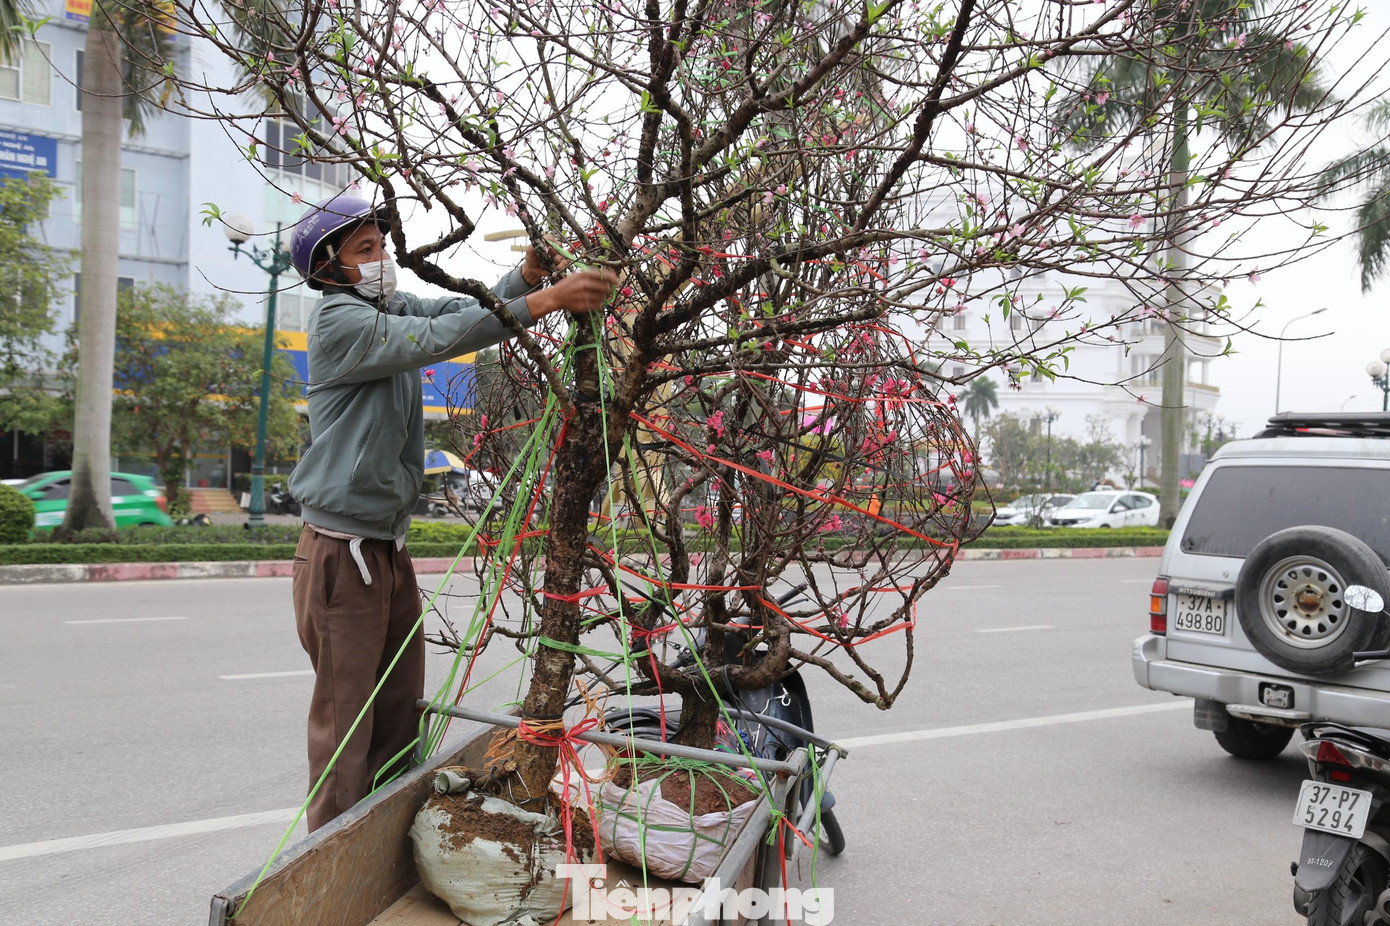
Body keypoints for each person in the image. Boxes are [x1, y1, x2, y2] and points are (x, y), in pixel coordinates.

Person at [284, 193, 615, 830]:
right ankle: (328, 860)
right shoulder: (340, 323)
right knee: (346, 730)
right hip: (340, 554)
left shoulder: (386, 308)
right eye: (364, 249)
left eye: (382, 245)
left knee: (399, 713)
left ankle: (380, 848)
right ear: (327, 268)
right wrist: (547, 301)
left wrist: (523, 280)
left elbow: (454, 312)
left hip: (385, 547)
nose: (382, 257)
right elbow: (437, 338)